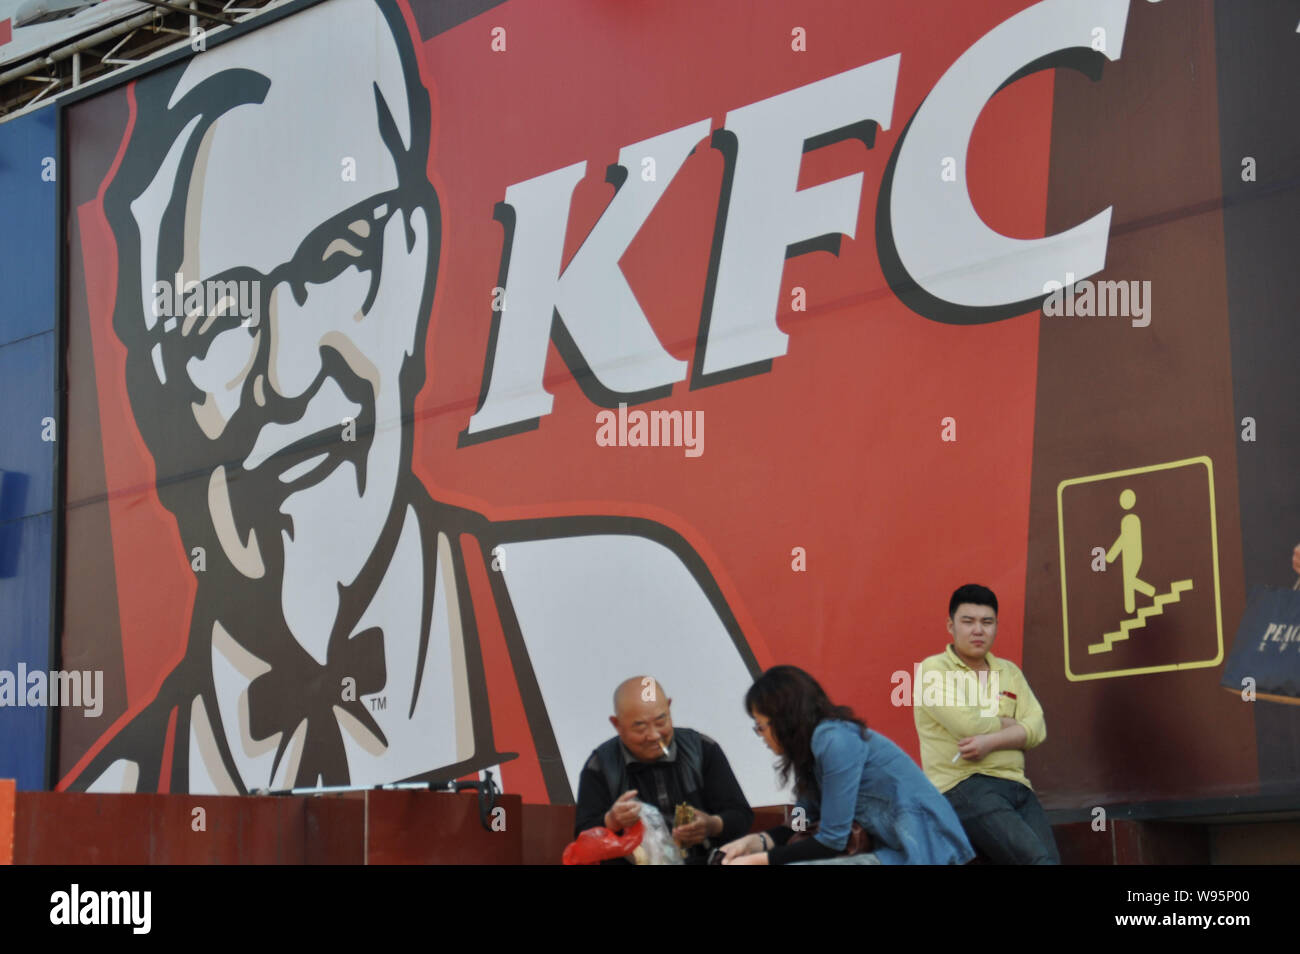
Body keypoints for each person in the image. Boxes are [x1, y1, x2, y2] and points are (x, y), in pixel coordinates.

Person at [62, 0, 770, 803]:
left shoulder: (620, 592)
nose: (289, 376)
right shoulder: (108, 801)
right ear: (158, 387)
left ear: (414, 264)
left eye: (338, 258)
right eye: (221, 314)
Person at [720, 665, 973, 865]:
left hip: (926, 849)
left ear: (783, 720)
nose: (760, 735)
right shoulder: (808, 754)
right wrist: (757, 842)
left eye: (760, 726)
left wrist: (760, 861)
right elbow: (800, 820)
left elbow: (832, 840)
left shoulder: (833, 741)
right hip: (893, 850)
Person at [914, 583, 1059, 864]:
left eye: (986, 622)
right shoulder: (934, 670)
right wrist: (1011, 725)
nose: (978, 630)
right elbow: (967, 726)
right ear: (950, 625)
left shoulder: (1009, 671)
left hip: (1017, 785)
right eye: (968, 621)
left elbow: (1037, 727)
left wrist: (989, 741)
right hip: (965, 786)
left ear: (996, 626)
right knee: (1037, 861)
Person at [574, 677, 754, 864]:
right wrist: (611, 821)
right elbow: (582, 840)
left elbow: (741, 816)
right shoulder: (600, 766)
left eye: (661, 721)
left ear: (669, 707)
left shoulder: (701, 749)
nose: (653, 735)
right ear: (617, 724)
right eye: (640, 726)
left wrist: (712, 825)